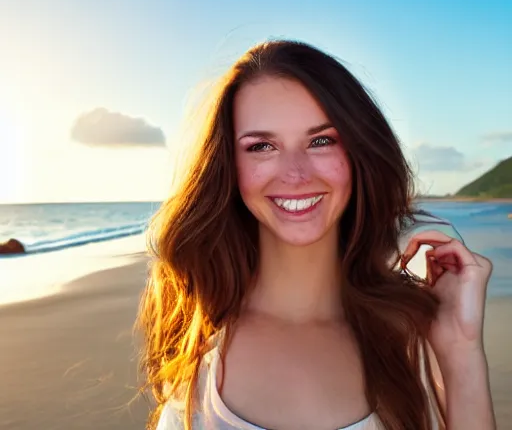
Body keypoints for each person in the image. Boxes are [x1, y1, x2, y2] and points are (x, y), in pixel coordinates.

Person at [136, 40, 495, 430]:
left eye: (321, 140)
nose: (296, 173)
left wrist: (461, 351)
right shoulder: (196, 346)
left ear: (358, 153)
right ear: (229, 165)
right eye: (262, 146)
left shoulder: (412, 339)